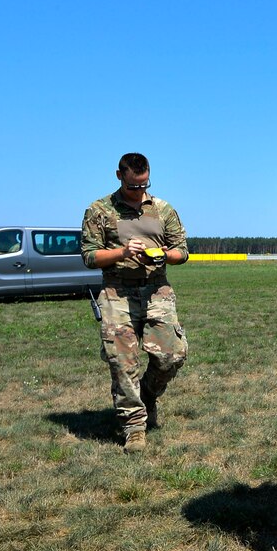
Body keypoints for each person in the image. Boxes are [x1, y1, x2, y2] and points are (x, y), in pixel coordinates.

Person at [81, 153, 189, 453]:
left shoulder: (163, 209)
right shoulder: (99, 210)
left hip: (157, 291)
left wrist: (163, 254)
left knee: (173, 355)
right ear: (119, 176)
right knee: (122, 362)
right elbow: (89, 256)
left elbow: (182, 251)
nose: (140, 191)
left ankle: (148, 394)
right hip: (117, 292)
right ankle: (134, 427)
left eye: (144, 184)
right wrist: (122, 253)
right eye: (133, 186)